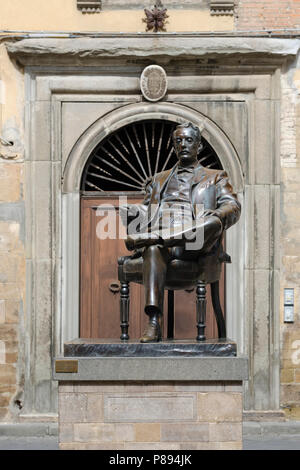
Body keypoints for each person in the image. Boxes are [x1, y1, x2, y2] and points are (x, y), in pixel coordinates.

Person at [120, 122, 241, 342]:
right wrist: (132, 211)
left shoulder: (215, 176)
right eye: (178, 141)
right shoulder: (159, 179)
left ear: (198, 145)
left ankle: (154, 239)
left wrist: (217, 214)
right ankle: (154, 322)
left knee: (212, 223)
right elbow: (148, 211)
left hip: (194, 243)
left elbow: (233, 206)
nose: (183, 144)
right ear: (174, 146)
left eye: (188, 140)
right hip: (162, 238)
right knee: (154, 249)